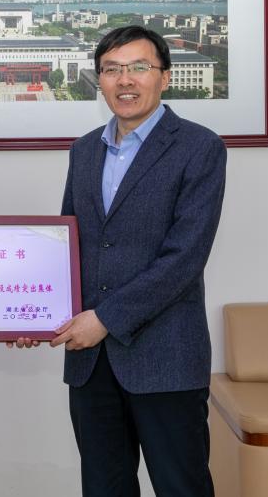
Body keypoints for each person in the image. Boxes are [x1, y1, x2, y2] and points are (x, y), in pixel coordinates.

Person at [51, 25, 227, 496]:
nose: (124, 80)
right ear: (100, 80)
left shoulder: (200, 147)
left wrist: (105, 319)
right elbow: (68, 246)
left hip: (166, 357)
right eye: (111, 69)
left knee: (181, 486)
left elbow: (184, 257)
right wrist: (33, 313)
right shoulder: (84, 150)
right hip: (91, 363)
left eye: (138, 68)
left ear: (164, 76)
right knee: (103, 487)